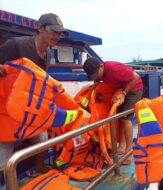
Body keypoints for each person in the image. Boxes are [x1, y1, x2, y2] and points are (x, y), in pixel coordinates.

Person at [0, 13, 68, 181]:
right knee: (5, 149)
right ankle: (7, 179)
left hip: (29, 105)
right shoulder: (15, 45)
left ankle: (38, 167)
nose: (57, 36)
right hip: (6, 108)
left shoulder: (49, 55)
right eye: (54, 31)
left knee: (42, 138)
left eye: (60, 33)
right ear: (40, 27)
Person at [83, 57, 143, 165]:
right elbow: (98, 83)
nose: (97, 78)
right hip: (120, 89)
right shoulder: (99, 73)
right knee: (119, 118)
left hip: (134, 88)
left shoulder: (113, 68)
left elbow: (136, 77)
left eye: (96, 75)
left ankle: (129, 152)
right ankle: (122, 146)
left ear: (101, 66)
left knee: (125, 118)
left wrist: (124, 94)